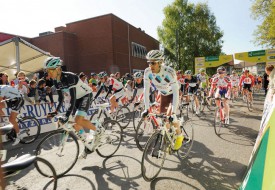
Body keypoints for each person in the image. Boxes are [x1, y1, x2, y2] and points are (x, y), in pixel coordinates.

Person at [44, 57, 101, 159]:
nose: (49, 73)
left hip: (85, 95)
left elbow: (72, 98)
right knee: (75, 124)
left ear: (58, 69)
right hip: (77, 99)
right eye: (47, 71)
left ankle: (98, 130)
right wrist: (55, 111)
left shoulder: (69, 77)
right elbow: (61, 98)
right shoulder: (56, 81)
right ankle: (87, 144)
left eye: (50, 70)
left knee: (78, 119)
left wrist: (66, 115)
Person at [142, 50, 183, 150]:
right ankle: (168, 138)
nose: (150, 65)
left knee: (170, 116)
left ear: (160, 62)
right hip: (163, 94)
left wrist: (173, 112)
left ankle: (179, 136)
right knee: (164, 119)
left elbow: (176, 92)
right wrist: (146, 109)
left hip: (174, 94)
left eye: (153, 63)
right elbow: (146, 91)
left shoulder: (169, 72)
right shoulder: (147, 72)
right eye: (149, 62)